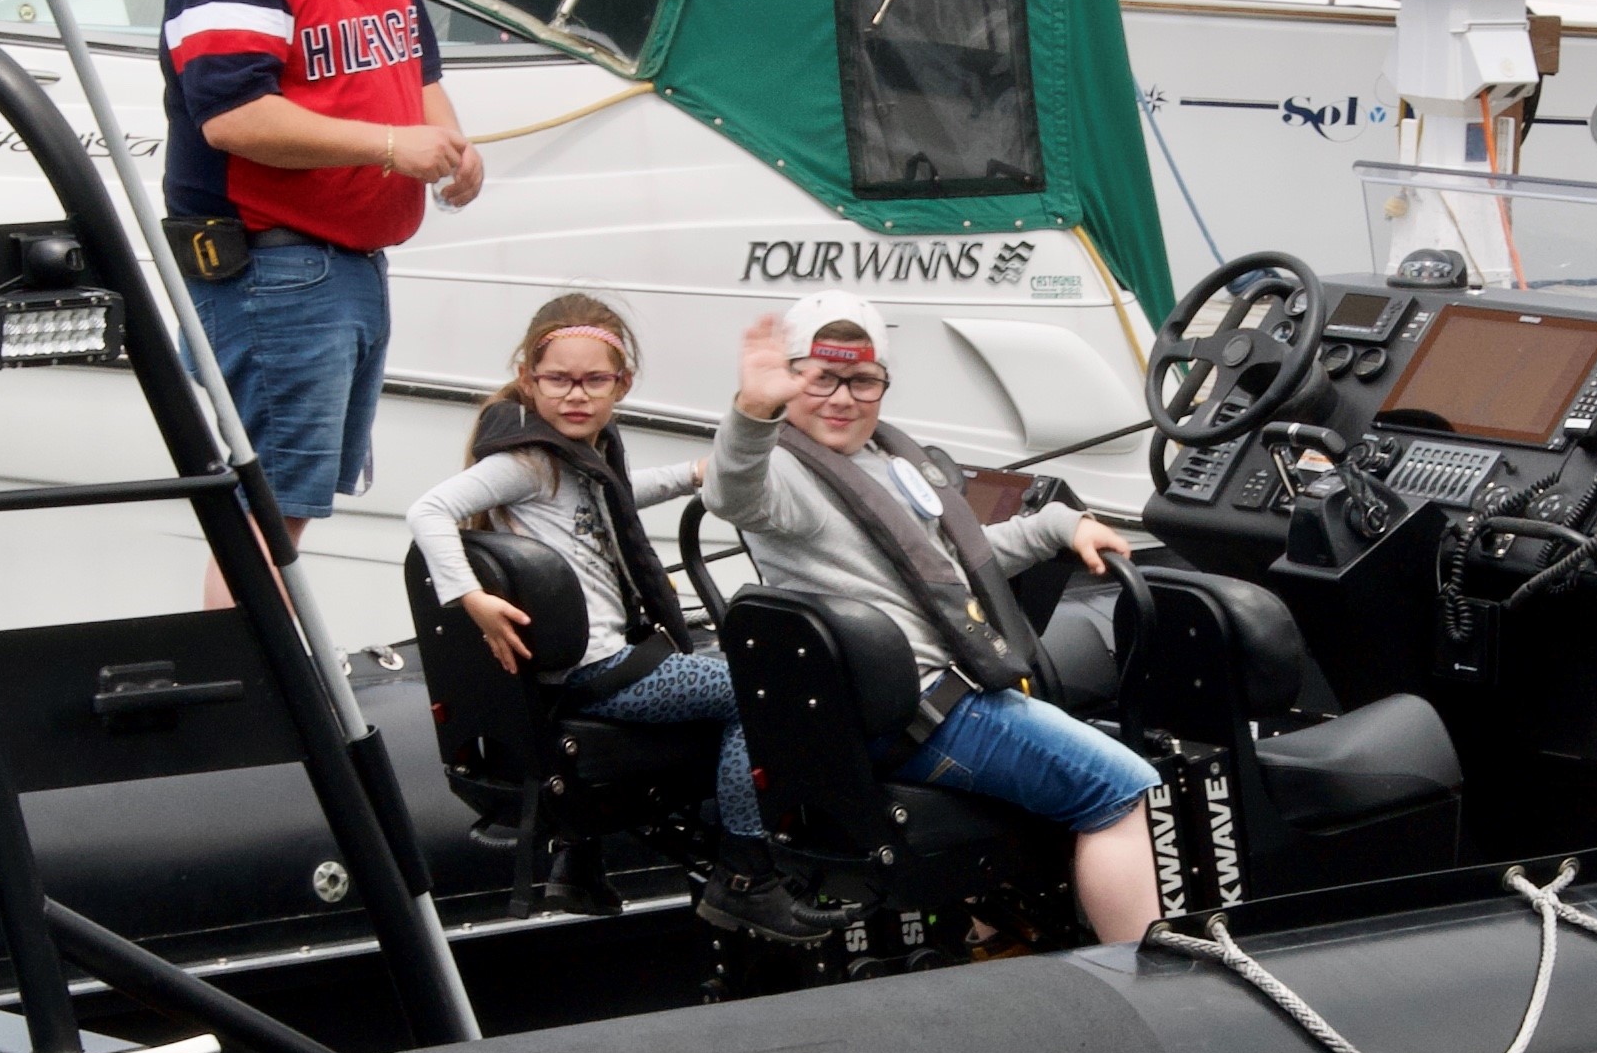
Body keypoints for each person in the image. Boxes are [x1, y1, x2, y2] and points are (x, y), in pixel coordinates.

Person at [710, 296, 1166, 944]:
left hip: (924, 702)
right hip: (922, 711)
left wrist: (1063, 524)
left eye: (862, 380)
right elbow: (732, 492)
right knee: (1125, 790)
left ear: (883, 385)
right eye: (821, 379)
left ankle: (1002, 934)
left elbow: (956, 561)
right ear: (790, 380)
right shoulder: (785, 475)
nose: (842, 398)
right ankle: (1147, 975)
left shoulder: (886, 462)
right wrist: (751, 412)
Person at [157, 0, 484, 598]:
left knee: (290, 506)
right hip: (274, 264)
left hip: (346, 264)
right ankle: (253, 696)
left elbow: (416, 66)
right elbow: (231, 117)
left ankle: (266, 684)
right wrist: (389, 146)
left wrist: (448, 144)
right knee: (272, 508)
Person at [404, 294, 761, 841]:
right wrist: (470, 599)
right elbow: (429, 510)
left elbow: (616, 496)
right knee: (760, 692)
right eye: (559, 380)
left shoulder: (573, 460)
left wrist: (693, 472)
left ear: (623, 384)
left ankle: (597, 850)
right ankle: (750, 867)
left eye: (595, 380)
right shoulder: (528, 462)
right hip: (594, 672)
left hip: (601, 664)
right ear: (528, 381)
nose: (576, 395)